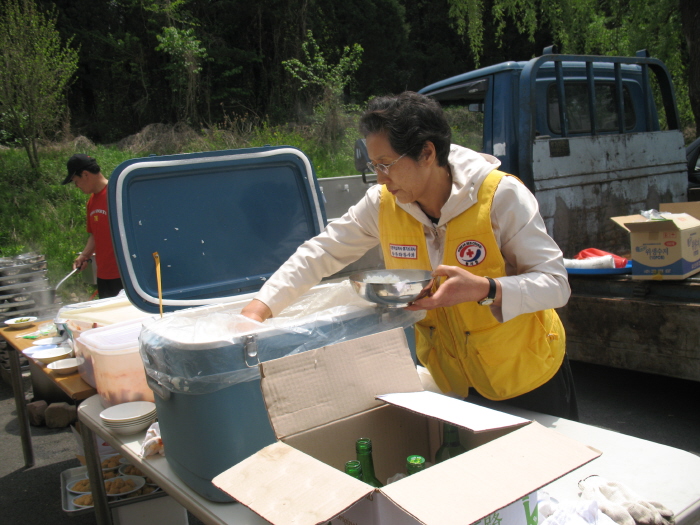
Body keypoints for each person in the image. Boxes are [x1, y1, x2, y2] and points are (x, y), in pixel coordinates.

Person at [242, 92, 578, 420]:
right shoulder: (383, 204)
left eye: (386, 165)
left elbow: (555, 285)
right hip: (455, 385)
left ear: (427, 152)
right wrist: (261, 308)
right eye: (374, 166)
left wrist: (486, 289)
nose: (380, 179)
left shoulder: (500, 196)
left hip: (529, 376)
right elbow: (322, 251)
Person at [62, 154, 123, 299]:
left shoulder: (117, 194)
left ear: (85, 174)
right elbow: (95, 234)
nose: (76, 186)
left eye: (76, 181)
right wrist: (84, 255)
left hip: (124, 275)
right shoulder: (91, 202)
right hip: (103, 275)